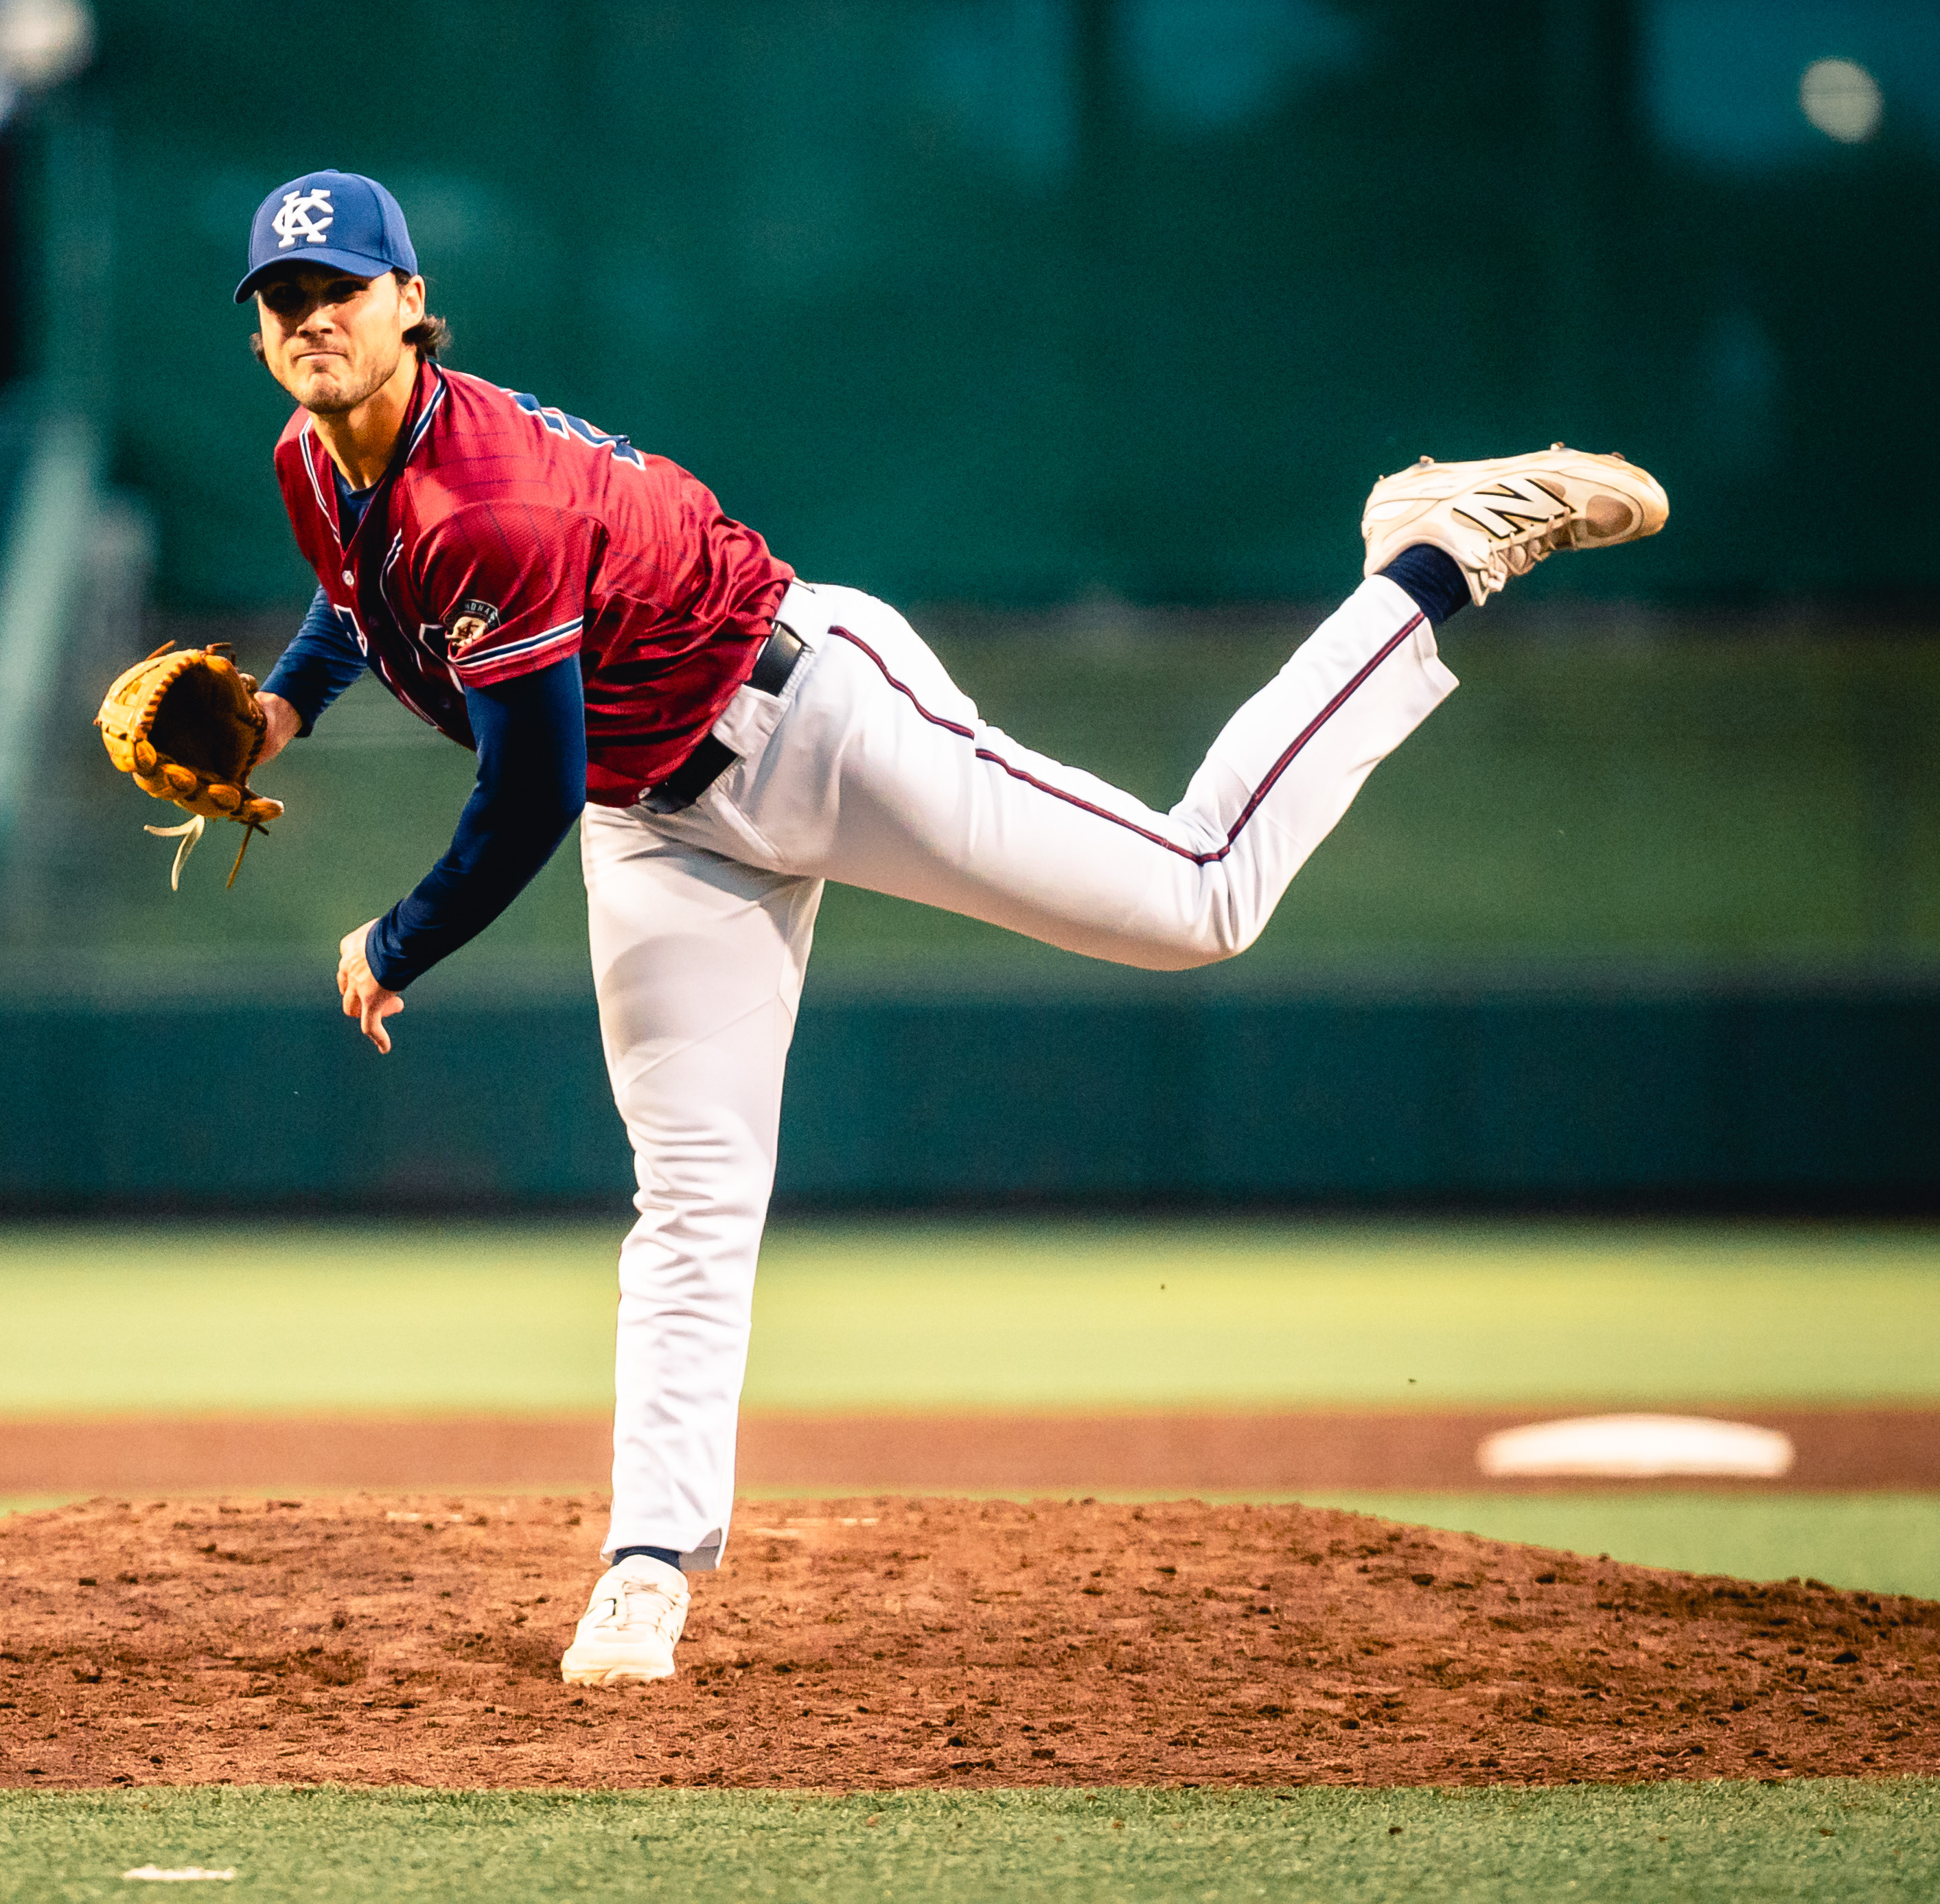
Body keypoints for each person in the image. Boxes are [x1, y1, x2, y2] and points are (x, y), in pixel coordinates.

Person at [229, 171, 1666, 1686]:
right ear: (258, 332)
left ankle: (1434, 558)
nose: (313, 317)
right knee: (693, 1191)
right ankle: (647, 1565)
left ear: (411, 303)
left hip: (812, 718)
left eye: (342, 289)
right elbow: (359, 593)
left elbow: (526, 790)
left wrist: (399, 938)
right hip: (655, 815)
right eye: (283, 298)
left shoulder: (491, 499)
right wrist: (276, 713)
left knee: (1200, 894)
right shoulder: (314, 459)